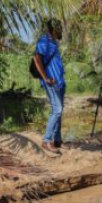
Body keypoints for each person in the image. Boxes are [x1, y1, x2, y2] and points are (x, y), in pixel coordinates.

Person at [33, 19, 65, 153]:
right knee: (57, 110)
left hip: (59, 81)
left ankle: (57, 140)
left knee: (59, 111)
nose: (61, 31)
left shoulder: (54, 42)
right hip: (51, 81)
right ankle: (46, 141)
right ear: (53, 30)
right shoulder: (43, 41)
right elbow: (36, 59)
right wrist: (45, 78)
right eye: (59, 29)